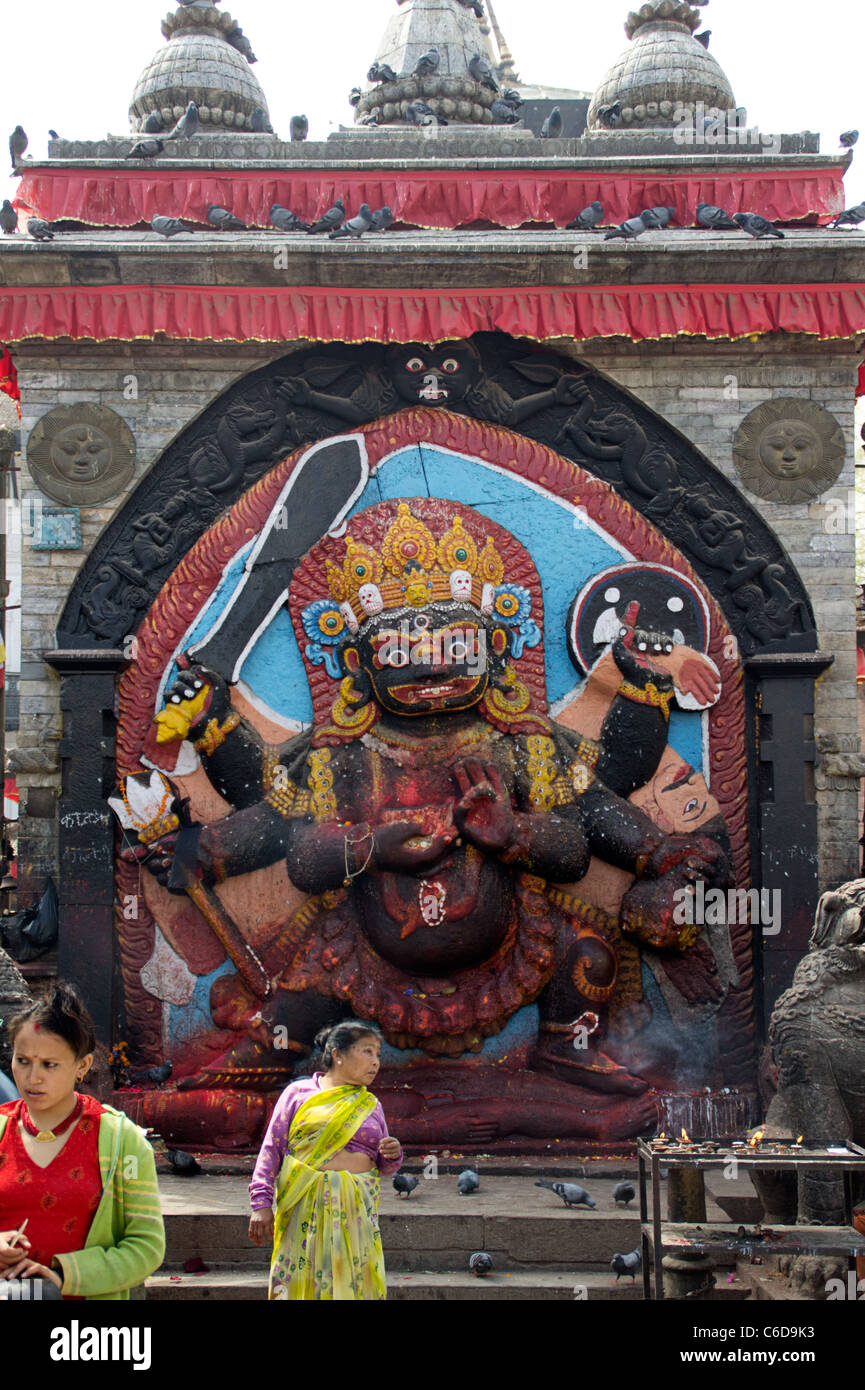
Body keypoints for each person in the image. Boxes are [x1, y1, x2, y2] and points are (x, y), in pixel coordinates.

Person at [0, 984, 165, 1301]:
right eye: (23, 1061)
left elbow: (146, 1245)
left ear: (82, 1066)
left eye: (50, 1065)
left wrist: (63, 1276)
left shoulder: (120, 1142)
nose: (32, 1078)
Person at [249, 1019, 403, 1300]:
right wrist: (261, 1203)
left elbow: (385, 1167)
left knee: (355, 1282)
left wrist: (393, 1154)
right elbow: (271, 1150)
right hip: (304, 1204)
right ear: (338, 1055)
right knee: (302, 1283)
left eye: (378, 1055)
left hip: (355, 1210)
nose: (375, 1062)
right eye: (367, 1051)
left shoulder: (370, 1104)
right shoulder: (298, 1094)